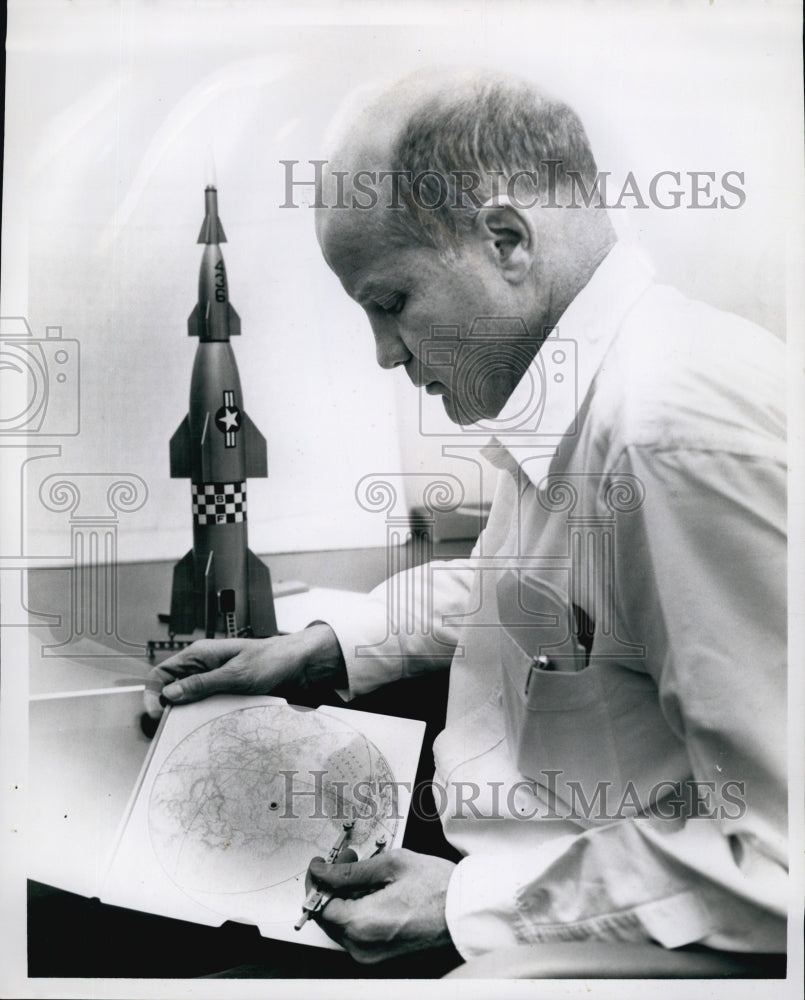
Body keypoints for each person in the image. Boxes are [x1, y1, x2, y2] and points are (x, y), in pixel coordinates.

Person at [145, 71, 787, 966]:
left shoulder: (666, 434)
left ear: (506, 239)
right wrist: (332, 645)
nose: (381, 354)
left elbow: (778, 859)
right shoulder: (590, 398)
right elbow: (529, 591)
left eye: (390, 302)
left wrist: (469, 906)